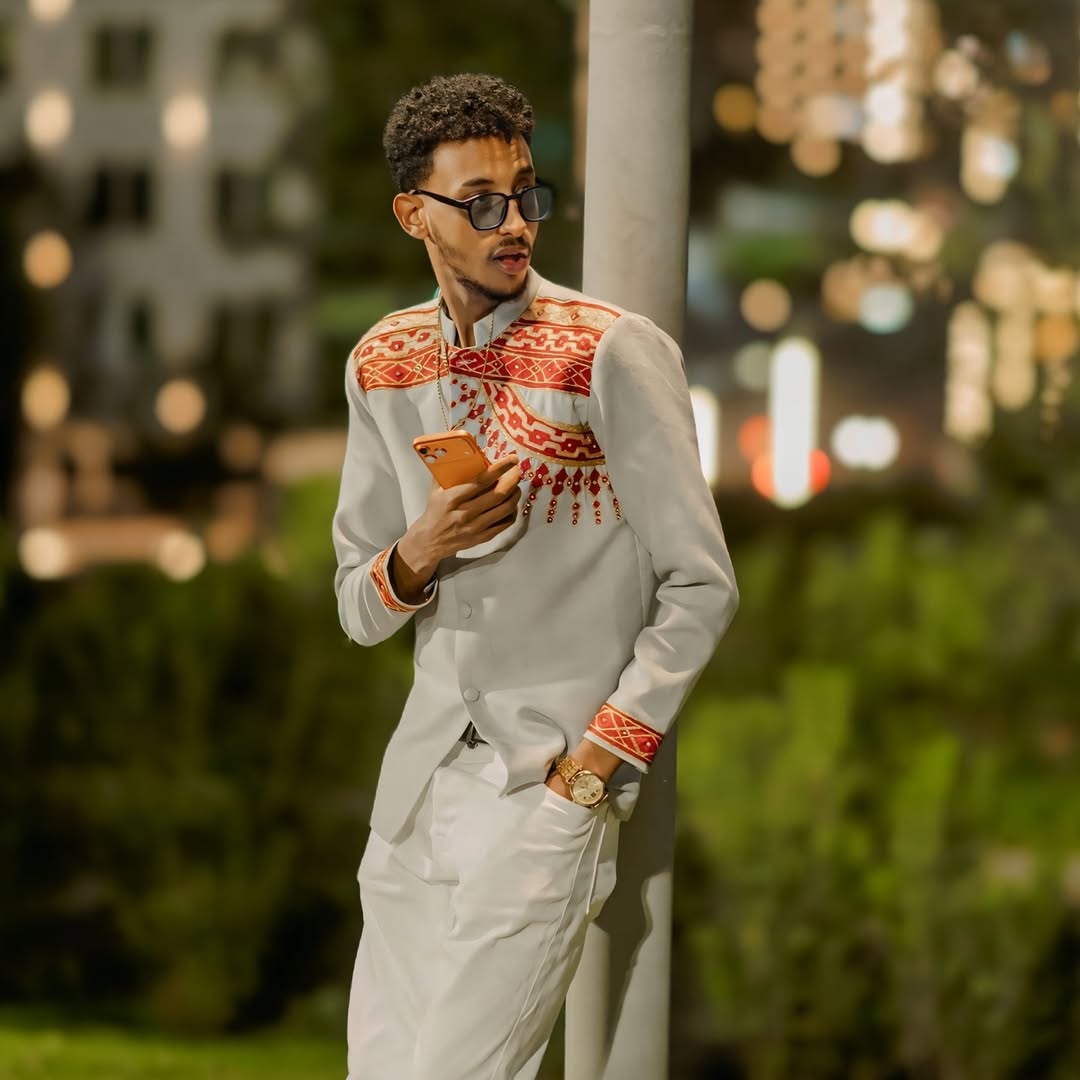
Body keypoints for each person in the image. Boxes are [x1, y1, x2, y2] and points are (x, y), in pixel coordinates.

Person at [332, 72, 738, 1080]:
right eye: (480, 203)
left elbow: (702, 585)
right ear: (413, 215)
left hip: (545, 789)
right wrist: (420, 551)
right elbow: (356, 607)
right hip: (417, 793)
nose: (513, 224)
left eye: (525, 195)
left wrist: (595, 769)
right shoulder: (382, 362)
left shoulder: (610, 351)